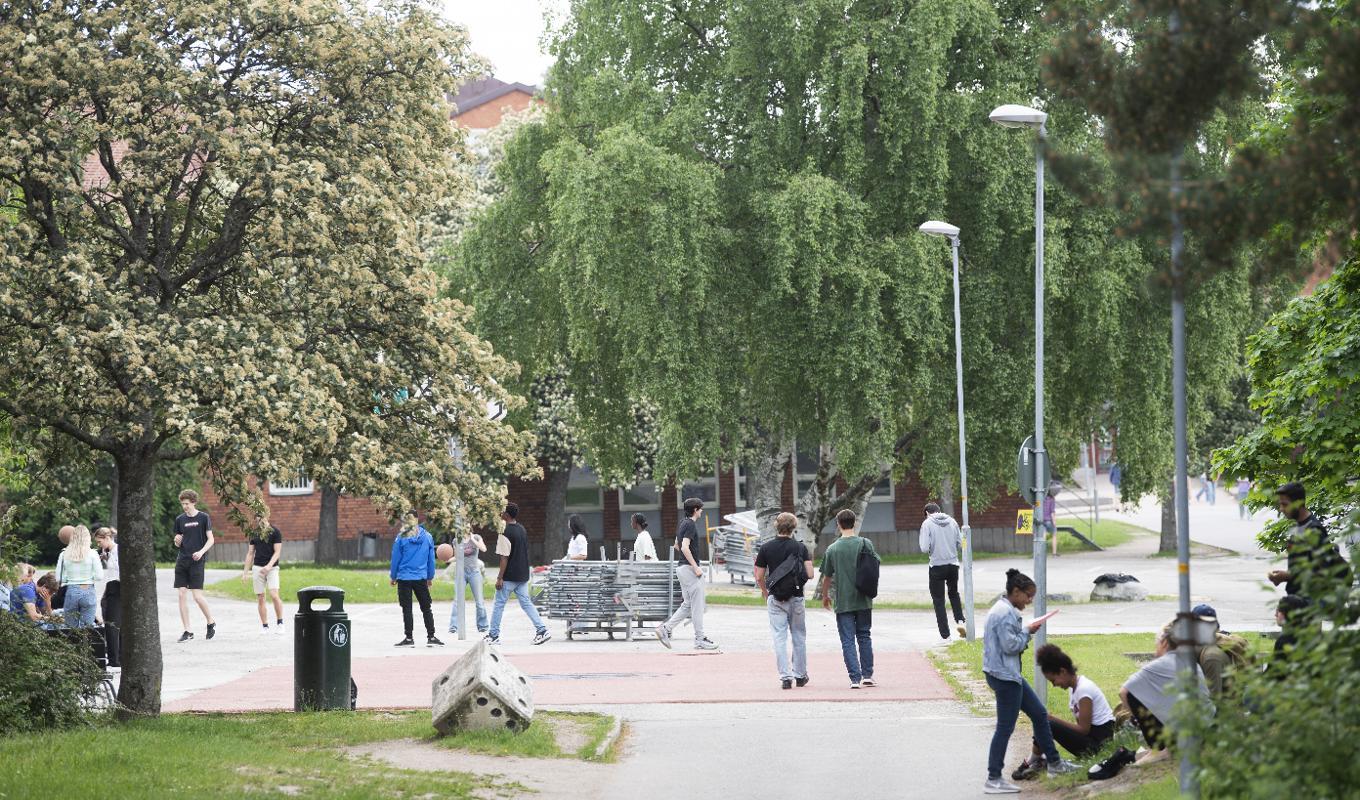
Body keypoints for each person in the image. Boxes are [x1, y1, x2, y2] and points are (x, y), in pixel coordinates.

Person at [982, 569, 1075, 793]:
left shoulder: (1004, 609)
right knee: (1005, 728)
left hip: (1008, 674)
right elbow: (1011, 646)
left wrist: (1024, 630)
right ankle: (993, 778)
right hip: (1005, 677)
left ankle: (1054, 763)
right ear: (1015, 592)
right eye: (1028, 595)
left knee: (1040, 714)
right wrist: (1028, 632)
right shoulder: (1004, 613)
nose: (1030, 600)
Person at [1012, 644, 1116, 780]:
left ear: (1063, 671)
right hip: (1090, 741)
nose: (1054, 684)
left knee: (1046, 721)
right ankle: (1036, 760)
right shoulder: (1075, 689)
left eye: (1053, 680)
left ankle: (1034, 760)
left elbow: (1084, 730)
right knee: (1044, 720)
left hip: (1098, 747)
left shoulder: (1084, 690)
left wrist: (1052, 719)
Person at [1119, 622, 1212, 764]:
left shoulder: (1159, 664)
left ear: (1163, 643)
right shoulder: (1190, 662)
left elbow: (1123, 692)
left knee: (1132, 695)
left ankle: (1159, 749)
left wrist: (1136, 719)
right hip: (1206, 727)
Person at [754, 512, 813, 690]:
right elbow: (810, 574)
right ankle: (800, 675)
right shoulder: (800, 548)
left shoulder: (766, 548)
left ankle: (785, 677)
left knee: (779, 637)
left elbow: (758, 576)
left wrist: (765, 592)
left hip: (776, 598)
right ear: (793, 527)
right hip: (796, 597)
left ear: (776, 526)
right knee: (799, 636)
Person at [819, 509, 878, 689]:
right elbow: (874, 565)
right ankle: (867, 674)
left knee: (847, 639)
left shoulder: (833, 548)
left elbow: (827, 576)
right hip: (864, 598)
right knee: (864, 635)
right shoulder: (865, 543)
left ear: (838, 524)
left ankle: (854, 678)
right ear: (854, 522)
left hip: (843, 600)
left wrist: (825, 595)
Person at [656, 498, 717, 651]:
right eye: (701, 509)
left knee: (688, 605)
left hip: (682, 568)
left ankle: (666, 628)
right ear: (696, 509)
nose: (702, 511)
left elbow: (676, 544)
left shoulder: (682, 523)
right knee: (697, 606)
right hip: (689, 569)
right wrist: (695, 566)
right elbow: (683, 547)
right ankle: (699, 639)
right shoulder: (690, 524)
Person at [1268, 482, 1347, 600]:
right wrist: (1282, 577)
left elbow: (1320, 573)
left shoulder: (1314, 530)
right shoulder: (1297, 528)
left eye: (1285, 504)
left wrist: (1287, 576)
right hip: (1297, 599)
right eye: (1280, 504)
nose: (1281, 509)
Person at [487, 502, 551, 646]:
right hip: (522, 574)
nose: (500, 514)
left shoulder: (505, 531)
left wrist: (499, 578)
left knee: (498, 604)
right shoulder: (521, 529)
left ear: (506, 515)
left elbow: (504, 557)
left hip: (509, 576)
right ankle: (542, 630)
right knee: (526, 603)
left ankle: (493, 635)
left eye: (502, 512)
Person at [390, 511, 442, 647]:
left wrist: (393, 576)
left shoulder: (401, 537)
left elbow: (396, 558)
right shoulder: (428, 537)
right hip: (420, 577)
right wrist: (430, 577)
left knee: (407, 608)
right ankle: (431, 636)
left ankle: (409, 638)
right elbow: (431, 560)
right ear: (418, 519)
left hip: (404, 577)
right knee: (426, 607)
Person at [172, 489, 217, 642]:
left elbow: (211, 539)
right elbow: (178, 539)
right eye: (182, 504)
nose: (184, 506)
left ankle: (211, 621)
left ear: (193, 502)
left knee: (197, 597)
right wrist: (176, 541)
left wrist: (201, 551)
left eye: (186, 503)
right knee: (181, 594)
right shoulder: (180, 519)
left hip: (197, 561)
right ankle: (187, 631)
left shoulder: (204, 518)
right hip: (182, 560)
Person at [919, 501, 966, 640]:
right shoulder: (952, 521)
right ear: (939, 510)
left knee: (938, 600)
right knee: (953, 593)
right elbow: (961, 542)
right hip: (953, 564)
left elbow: (923, 547)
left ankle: (945, 636)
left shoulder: (927, 524)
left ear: (927, 513)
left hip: (936, 566)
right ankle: (960, 621)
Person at [242, 518, 285, 636]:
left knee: (274, 595)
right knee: (260, 597)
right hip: (257, 568)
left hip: (272, 568)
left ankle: (280, 623)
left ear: (266, 515)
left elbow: (277, 552)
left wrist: (269, 566)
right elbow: (250, 553)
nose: (259, 519)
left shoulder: (275, 532)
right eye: (257, 517)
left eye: (261, 516)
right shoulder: (254, 533)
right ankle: (265, 626)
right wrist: (245, 572)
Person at [57, 525, 104, 628]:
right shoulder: (93, 553)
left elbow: (59, 578)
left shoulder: (64, 554)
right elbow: (99, 576)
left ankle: (72, 644)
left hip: (71, 591)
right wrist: (88, 577)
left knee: (70, 628)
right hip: (88, 590)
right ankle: (85, 644)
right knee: (87, 629)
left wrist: (70, 579)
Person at [446, 528, 488, 636]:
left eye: (468, 524)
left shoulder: (477, 537)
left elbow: (484, 549)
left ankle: (483, 626)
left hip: (474, 572)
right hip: (461, 573)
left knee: (479, 602)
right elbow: (457, 557)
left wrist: (473, 539)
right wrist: (447, 559)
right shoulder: (456, 540)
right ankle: (453, 627)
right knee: (457, 601)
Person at [94, 526, 122, 667]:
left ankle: (114, 659)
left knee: (111, 623)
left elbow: (118, 569)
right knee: (114, 621)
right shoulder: (108, 551)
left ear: (107, 538)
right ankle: (117, 656)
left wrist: (108, 557)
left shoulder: (116, 551)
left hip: (116, 585)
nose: (99, 545)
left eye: (100, 542)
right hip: (111, 585)